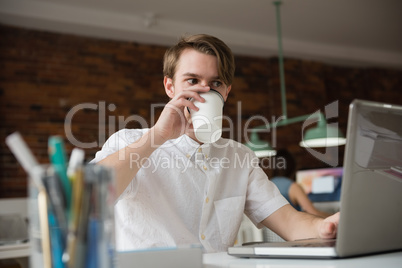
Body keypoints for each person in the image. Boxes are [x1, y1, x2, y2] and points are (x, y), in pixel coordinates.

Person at [91, 34, 339, 253]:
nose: (204, 91)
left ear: (226, 92)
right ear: (169, 86)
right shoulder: (131, 142)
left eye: (215, 83)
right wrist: (157, 136)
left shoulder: (239, 158)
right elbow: (91, 197)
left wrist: (326, 225)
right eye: (192, 81)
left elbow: (289, 222)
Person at [269, 149, 332, 218]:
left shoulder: (268, 184)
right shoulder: (292, 187)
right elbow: (313, 213)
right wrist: (337, 217)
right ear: (292, 166)